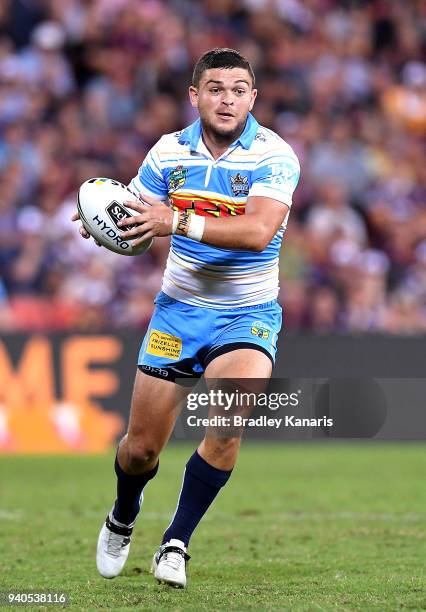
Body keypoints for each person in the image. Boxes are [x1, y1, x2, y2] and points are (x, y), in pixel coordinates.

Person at [72, 48, 300, 588]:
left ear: (253, 98)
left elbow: (257, 232)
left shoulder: (274, 156)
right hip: (178, 312)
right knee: (139, 450)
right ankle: (123, 515)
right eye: (216, 89)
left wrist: (176, 220)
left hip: (247, 312)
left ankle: (176, 542)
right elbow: (136, 214)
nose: (228, 99)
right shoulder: (167, 152)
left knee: (226, 425)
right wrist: (102, 220)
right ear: (195, 96)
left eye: (239, 89)